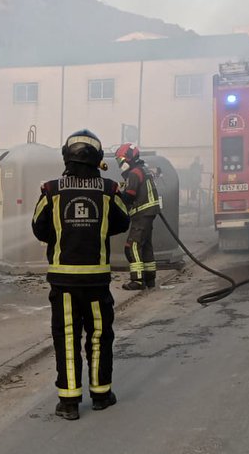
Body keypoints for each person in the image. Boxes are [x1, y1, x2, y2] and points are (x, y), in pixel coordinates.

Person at [32, 129, 129, 420]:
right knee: (99, 334)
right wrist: (95, 230)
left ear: (66, 156)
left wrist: (67, 232)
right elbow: (123, 221)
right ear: (98, 159)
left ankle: (70, 402)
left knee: (67, 337)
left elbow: (38, 227)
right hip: (97, 280)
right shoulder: (109, 190)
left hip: (63, 281)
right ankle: (101, 394)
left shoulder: (51, 190)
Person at [115, 143, 159, 291]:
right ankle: (150, 279)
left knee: (132, 246)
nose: (121, 164)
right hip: (149, 213)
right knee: (146, 245)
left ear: (128, 158)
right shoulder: (143, 169)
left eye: (121, 160)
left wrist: (116, 195)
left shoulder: (134, 173)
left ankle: (138, 280)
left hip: (142, 213)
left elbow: (129, 196)